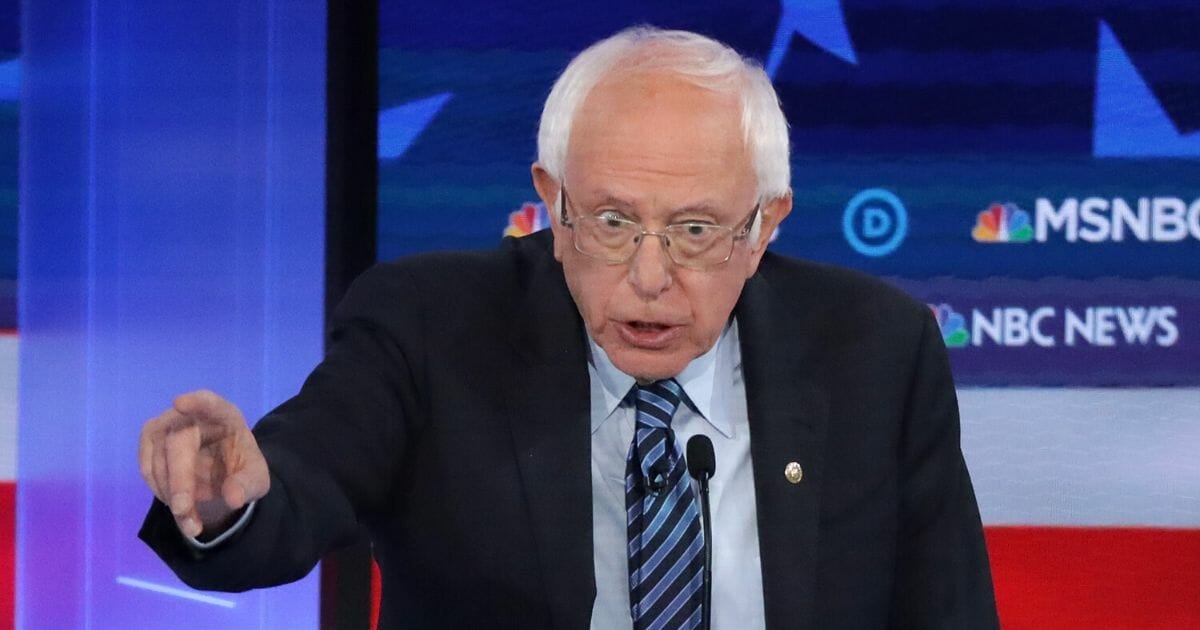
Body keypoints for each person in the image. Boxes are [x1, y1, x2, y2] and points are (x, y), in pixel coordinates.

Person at [139, 26, 999, 629]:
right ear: (551, 204)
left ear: (765, 227)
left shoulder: (875, 352)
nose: (650, 276)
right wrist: (229, 500)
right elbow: (304, 479)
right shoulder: (431, 327)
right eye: (613, 222)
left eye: (696, 232)